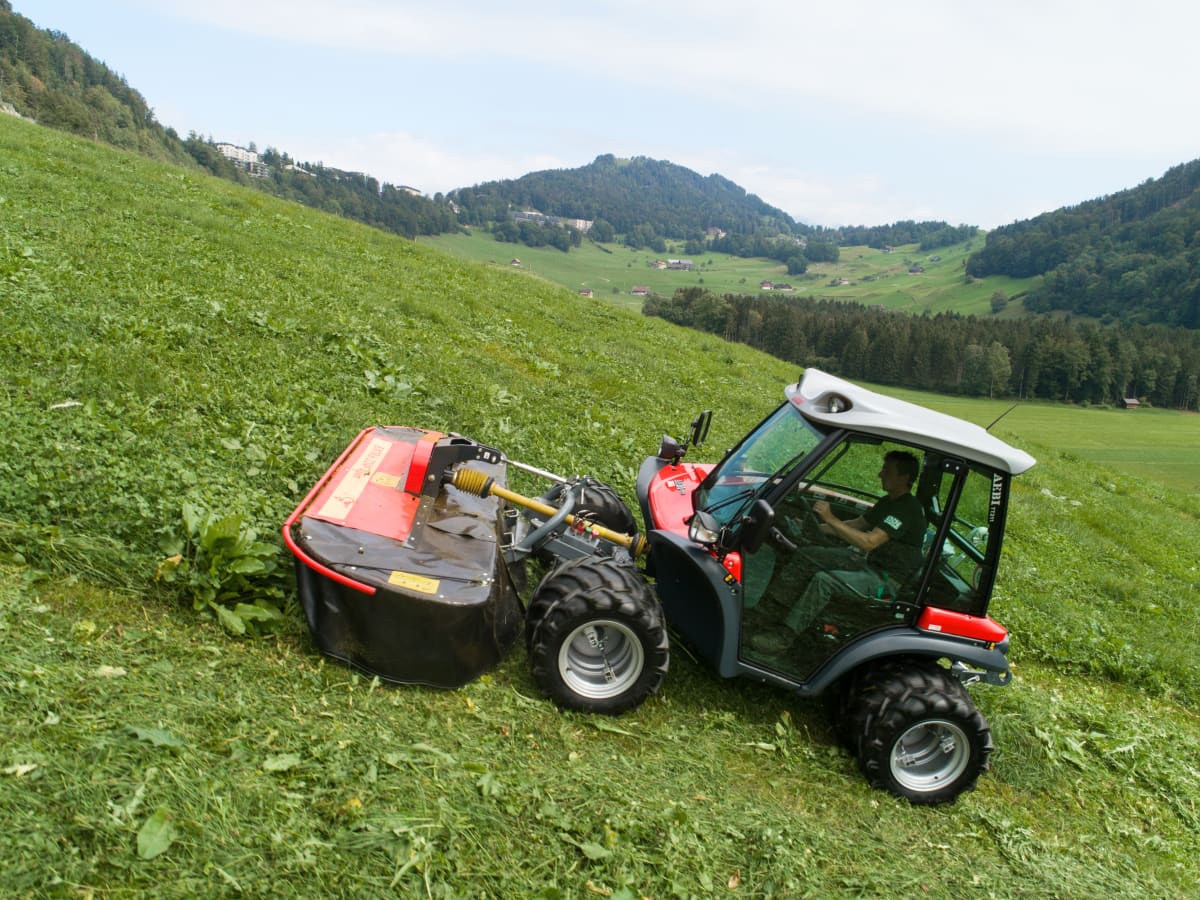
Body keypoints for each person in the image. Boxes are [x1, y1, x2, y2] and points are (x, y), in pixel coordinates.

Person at [751, 450, 926, 654]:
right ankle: (770, 612)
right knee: (808, 555)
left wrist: (830, 518)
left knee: (824, 580)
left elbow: (869, 542)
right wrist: (814, 525)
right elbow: (858, 524)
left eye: (887, 471)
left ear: (903, 477)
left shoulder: (907, 509)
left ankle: (783, 639)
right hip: (868, 564)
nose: (880, 474)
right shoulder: (889, 502)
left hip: (885, 580)